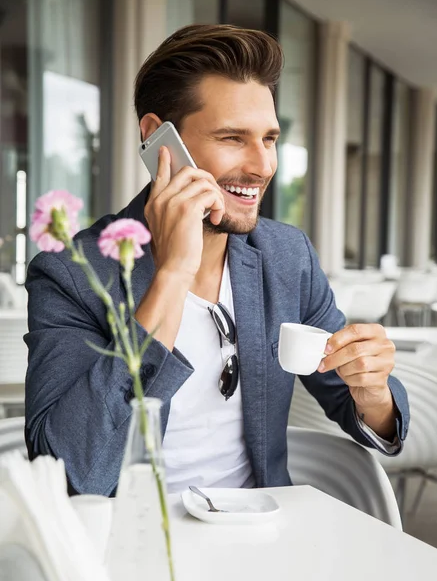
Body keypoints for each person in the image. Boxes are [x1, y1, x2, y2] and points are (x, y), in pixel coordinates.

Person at [25, 24, 409, 496]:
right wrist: (172, 275)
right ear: (157, 139)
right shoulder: (74, 274)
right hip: (132, 541)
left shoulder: (287, 258)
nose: (263, 166)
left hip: (258, 539)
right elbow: (69, 474)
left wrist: (372, 393)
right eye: (233, 137)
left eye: (269, 139)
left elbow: (363, 412)